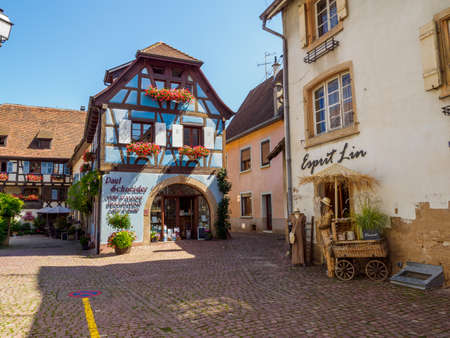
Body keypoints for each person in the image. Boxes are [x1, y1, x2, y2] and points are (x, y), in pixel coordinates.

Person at [319, 197, 335, 277]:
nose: (322, 206)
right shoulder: (325, 213)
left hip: (327, 233)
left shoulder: (329, 214)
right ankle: (330, 269)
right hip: (324, 233)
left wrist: (320, 226)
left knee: (329, 252)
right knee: (326, 251)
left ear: (326, 206)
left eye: (323, 204)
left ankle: (331, 271)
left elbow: (327, 224)